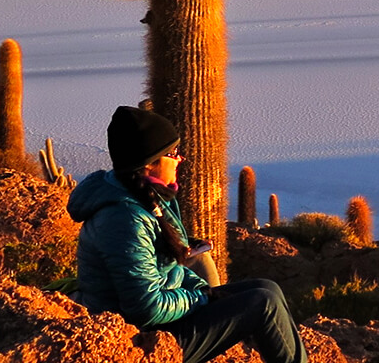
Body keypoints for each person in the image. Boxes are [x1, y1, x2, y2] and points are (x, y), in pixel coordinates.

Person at [70, 105, 308, 363]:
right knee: (263, 304)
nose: (180, 159)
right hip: (140, 340)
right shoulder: (125, 219)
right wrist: (201, 298)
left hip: (162, 320)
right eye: (172, 153)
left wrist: (203, 290)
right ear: (148, 165)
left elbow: (168, 270)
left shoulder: (148, 197)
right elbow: (146, 308)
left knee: (266, 287)